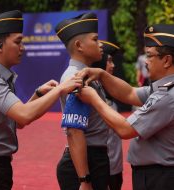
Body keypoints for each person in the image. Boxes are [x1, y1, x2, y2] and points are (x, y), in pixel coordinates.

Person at [0, 10, 82, 190]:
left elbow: (17, 121)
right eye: (18, 42)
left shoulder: (1, 76)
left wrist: (38, 94)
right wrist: (61, 89)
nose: (23, 47)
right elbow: (24, 116)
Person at [77, 24, 174, 190]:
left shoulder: (169, 96)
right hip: (160, 175)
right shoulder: (172, 86)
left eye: (149, 56)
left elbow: (125, 129)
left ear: (167, 60)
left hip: (161, 179)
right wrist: (102, 75)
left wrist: (94, 99)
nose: (146, 62)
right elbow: (130, 94)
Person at [55, 13, 109, 190]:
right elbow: (74, 131)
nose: (100, 44)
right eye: (95, 39)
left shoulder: (87, 74)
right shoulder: (76, 77)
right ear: (79, 45)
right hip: (86, 162)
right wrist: (84, 180)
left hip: (92, 158)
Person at [92, 40, 123, 190]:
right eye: (109, 61)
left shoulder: (108, 92)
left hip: (115, 167)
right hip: (102, 169)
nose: (113, 65)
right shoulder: (91, 94)